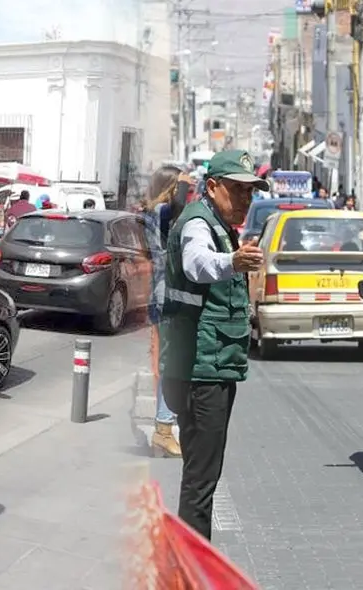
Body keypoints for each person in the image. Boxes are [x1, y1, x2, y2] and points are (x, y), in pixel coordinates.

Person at [159, 150, 267, 541]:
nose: (246, 199)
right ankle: (190, 566)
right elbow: (196, 262)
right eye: (238, 190)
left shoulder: (219, 225)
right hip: (199, 370)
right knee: (200, 482)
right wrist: (233, 262)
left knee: (202, 476)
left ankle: (188, 562)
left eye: (250, 192)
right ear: (212, 187)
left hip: (210, 364)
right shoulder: (198, 224)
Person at [139, 165, 190, 458]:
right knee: (172, 362)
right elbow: (178, 205)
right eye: (179, 186)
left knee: (168, 361)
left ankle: (166, 425)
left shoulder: (152, 212)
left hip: (161, 291)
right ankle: (163, 429)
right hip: (165, 292)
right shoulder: (161, 212)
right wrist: (183, 185)